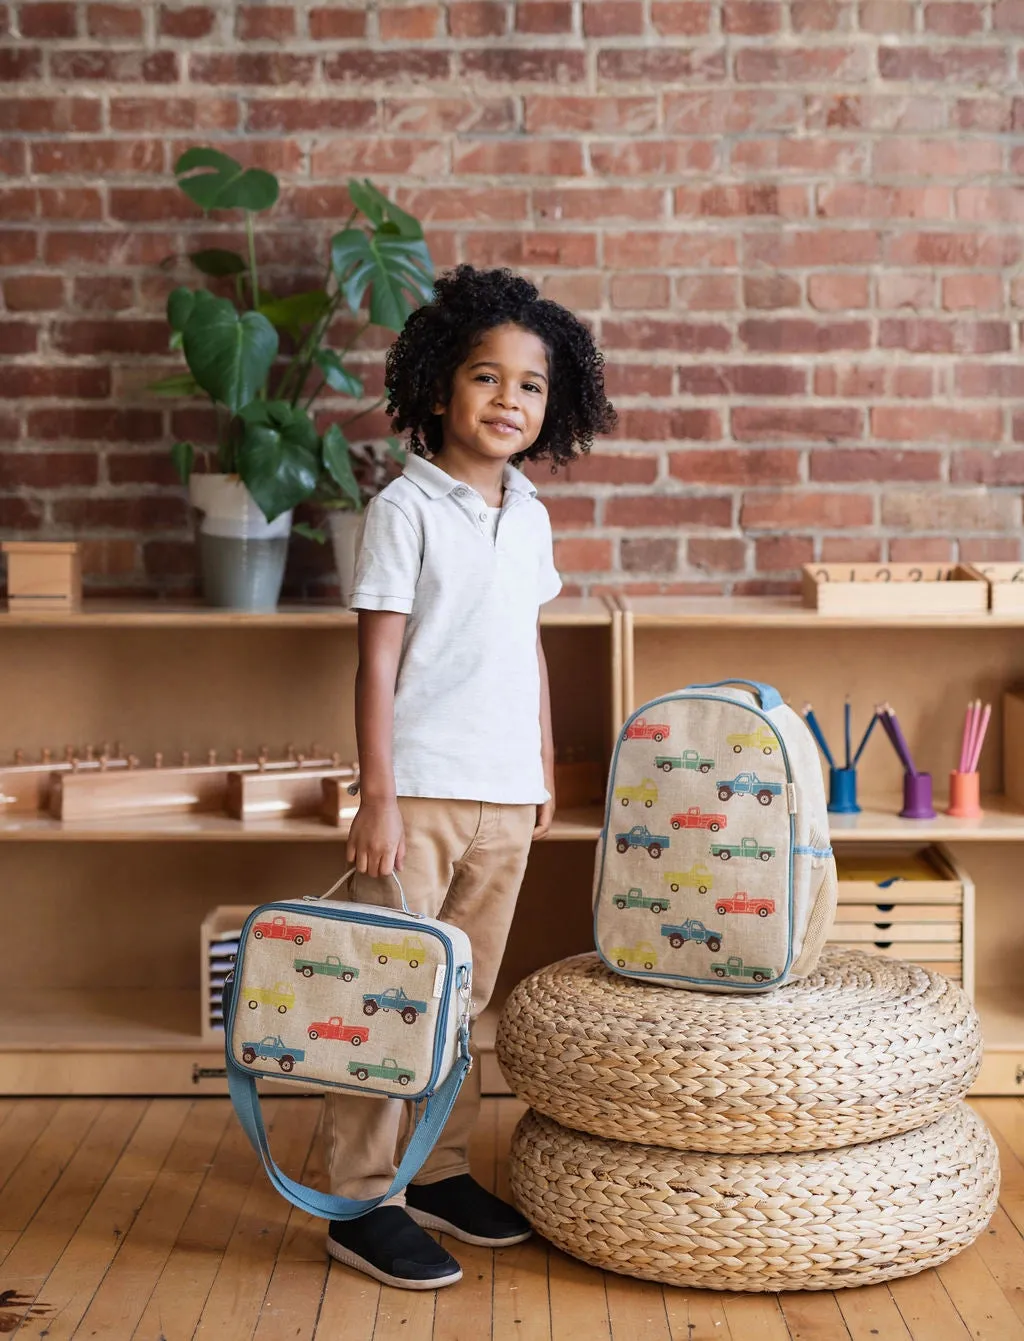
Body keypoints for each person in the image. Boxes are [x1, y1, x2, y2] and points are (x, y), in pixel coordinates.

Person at [323, 264, 616, 1290]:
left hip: (501, 796)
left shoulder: (529, 514)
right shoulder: (405, 508)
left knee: (462, 999)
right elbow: (376, 660)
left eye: (529, 385)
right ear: (439, 390)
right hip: (421, 798)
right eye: (485, 378)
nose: (507, 400)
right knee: (388, 995)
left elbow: (524, 647)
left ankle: (436, 1168)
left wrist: (540, 763)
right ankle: (362, 1196)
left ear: (553, 405)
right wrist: (379, 794)